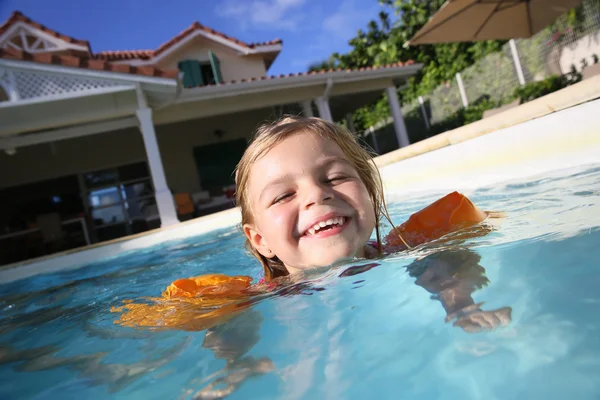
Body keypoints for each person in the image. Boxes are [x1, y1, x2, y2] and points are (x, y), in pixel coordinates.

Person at [111, 116, 510, 396]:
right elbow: (224, 328)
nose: (317, 195)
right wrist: (236, 364)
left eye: (335, 176)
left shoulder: (410, 251)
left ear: (368, 193)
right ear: (261, 240)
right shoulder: (260, 296)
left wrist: (459, 305)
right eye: (284, 195)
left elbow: (449, 266)